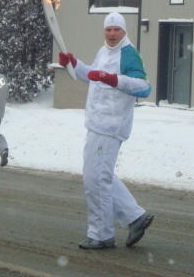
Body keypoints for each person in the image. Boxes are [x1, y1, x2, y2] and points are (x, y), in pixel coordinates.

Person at [59, 12, 154, 250]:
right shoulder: (104, 51)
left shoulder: (129, 54)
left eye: (116, 30)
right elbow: (93, 76)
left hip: (111, 126)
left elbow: (144, 87)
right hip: (96, 123)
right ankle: (135, 217)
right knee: (101, 175)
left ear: (124, 31)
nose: (112, 34)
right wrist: (74, 64)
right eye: (108, 30)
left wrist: (114, 79)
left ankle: (101, 234)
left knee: (96, 179)